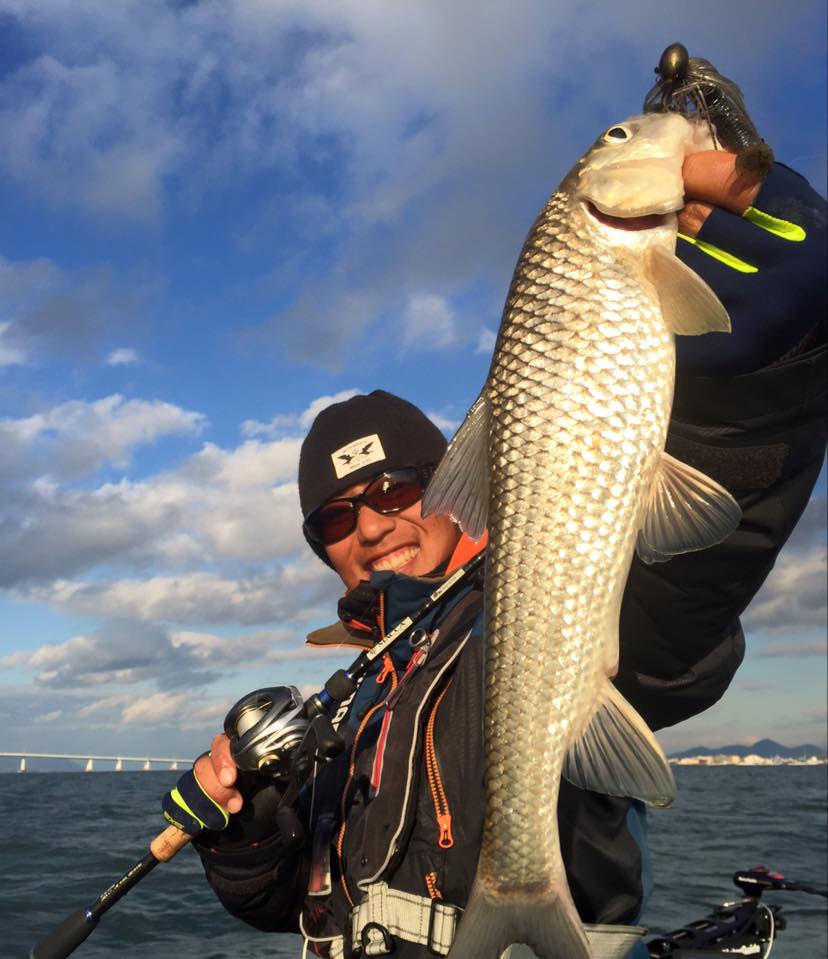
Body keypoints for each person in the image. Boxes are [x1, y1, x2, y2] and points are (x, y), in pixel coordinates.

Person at [166, 147, 826, 959]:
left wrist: (755, 390)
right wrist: (243, 837)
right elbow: (294, 899)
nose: (369, 526)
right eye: (335, 517)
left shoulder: (535, 588)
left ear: (463, 479)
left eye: (395, 489)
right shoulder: (357, 698)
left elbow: (682, 601)